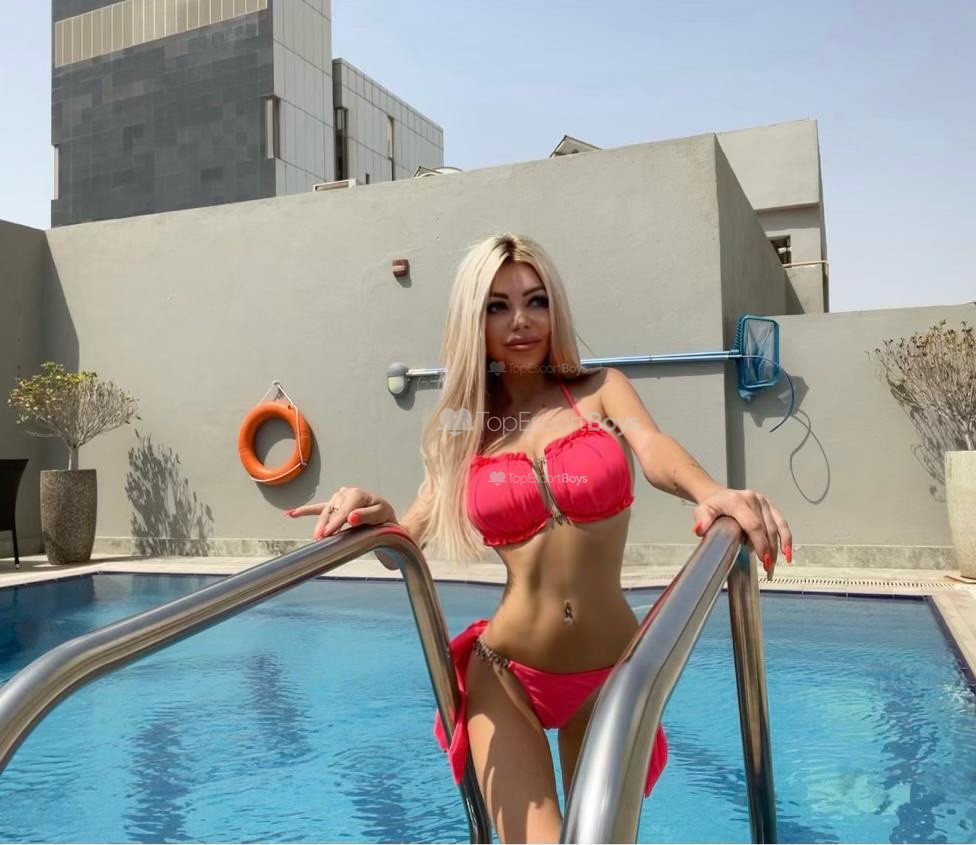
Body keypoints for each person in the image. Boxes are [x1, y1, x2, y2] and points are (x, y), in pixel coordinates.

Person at [287, 233, 793, 843]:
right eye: (497, 306)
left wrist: (711, 491)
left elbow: (653, 448)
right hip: (504, 673)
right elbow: (413, 527)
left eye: (536, 300)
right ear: (473, 322)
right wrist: (375, 512)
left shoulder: (601, 390)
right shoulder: (464, 425)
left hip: (611, 674)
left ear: (556, 307)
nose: (521, 321)